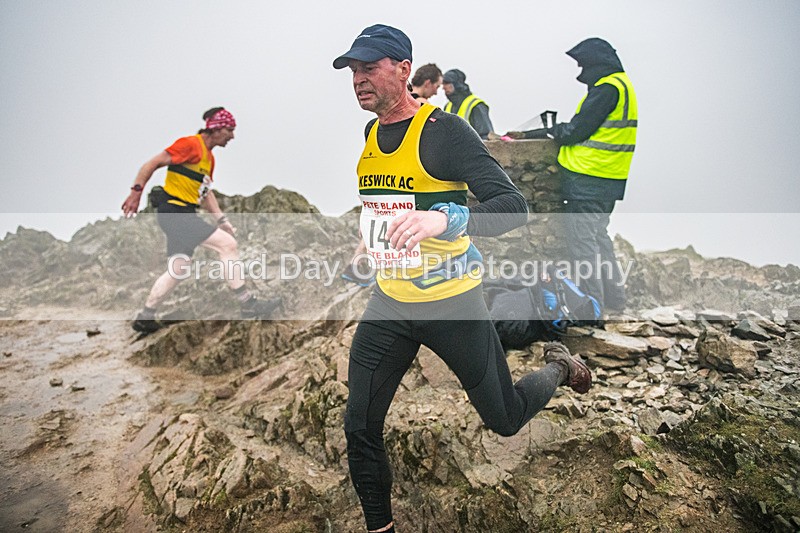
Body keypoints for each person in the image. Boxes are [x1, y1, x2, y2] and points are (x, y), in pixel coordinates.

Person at [333, 24, 592, 533]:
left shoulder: (445, 131)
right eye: (353, 71)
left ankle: (561, 366)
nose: (358, 79)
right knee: (359, 426)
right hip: (389, 304)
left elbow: (512, 207)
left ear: (404, 69)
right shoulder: (369, 135)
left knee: (505, 418)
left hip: (452, 304)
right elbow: (387, 206)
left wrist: (447, 219)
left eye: (369, 67)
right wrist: (368, 242)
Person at [121, 107, 281, 333]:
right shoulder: (190, 144)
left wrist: (221, 220)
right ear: (215, 128)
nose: (232, 136)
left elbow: (206, 192)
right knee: (227, 245)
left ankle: (145, 316)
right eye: (230, 130)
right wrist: (136, 192)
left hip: (182, 213)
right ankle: (248, 304)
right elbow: (151, 163)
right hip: (175, 212)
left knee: (179, 268)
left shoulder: (209, 158)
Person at [507, 38, 636, 312]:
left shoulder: (606, 89)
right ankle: (614, 300)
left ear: (595, 63)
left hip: (588, 178)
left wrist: (542, 133)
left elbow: (575, 131)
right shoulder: (623, 86)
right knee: (600, 239)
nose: (580, 71)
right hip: (609, 178)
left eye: (582, 64)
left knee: (584, 245)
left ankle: (592, 308)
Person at [441, 68, 494, 139]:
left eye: (446, 83)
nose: (443, 87)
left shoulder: (476, 105)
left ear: (457, 84)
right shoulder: (448, 106)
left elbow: (485, 136)